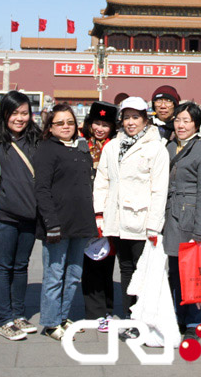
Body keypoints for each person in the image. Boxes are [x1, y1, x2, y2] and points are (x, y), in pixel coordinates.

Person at [93, 96, 169, 325]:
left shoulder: (156, 148)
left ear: (146, 120)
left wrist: (154, 224)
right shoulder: (112, 146)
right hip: (117, 218)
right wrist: (100, 213)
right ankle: (129, 314)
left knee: (144, 269)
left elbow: (159, 189)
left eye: (136, 117)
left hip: (143, 219)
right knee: (125, 268)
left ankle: (147, 316)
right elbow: (102, 180)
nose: (130, 122)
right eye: (126, 118)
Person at [34, 104, 97, 340]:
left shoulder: (81, 147)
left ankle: (62, 316)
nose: (66, 127)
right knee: (54, 273)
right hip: (57, 223)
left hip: (80, 222)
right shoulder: (46, 150)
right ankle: (50, 322)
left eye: (69, 122)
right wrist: (51, 223)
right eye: (59, 123)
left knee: (73, 274)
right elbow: (41, 189)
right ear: (50, 127)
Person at [162, 102, 201, 338]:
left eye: (186, 120)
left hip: (191, 217)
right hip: (171, 215)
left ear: (196, 123)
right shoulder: (170, 146)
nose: (181, 125)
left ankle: (194, 323)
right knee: (175, 272)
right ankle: (179, 317)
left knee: (193, 274)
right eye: (177, 120)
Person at [0, 91, 41, 339]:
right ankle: (4, 318)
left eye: (24, 113)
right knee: (2, 266)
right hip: (5, 216)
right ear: (5, 113)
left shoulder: (36, 139)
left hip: (30, 216)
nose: (19, 118)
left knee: (21, 266)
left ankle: (19, 314)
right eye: (14, 113)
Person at [80, 101, 119, 332]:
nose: (100, 128)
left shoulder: (115, 146)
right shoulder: (80, 144)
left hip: (110, 211)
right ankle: (94, 312)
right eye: (97, 123)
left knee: (107, 260)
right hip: (85, 210)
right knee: (91, 261)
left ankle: (108, 308)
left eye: (105, 124)